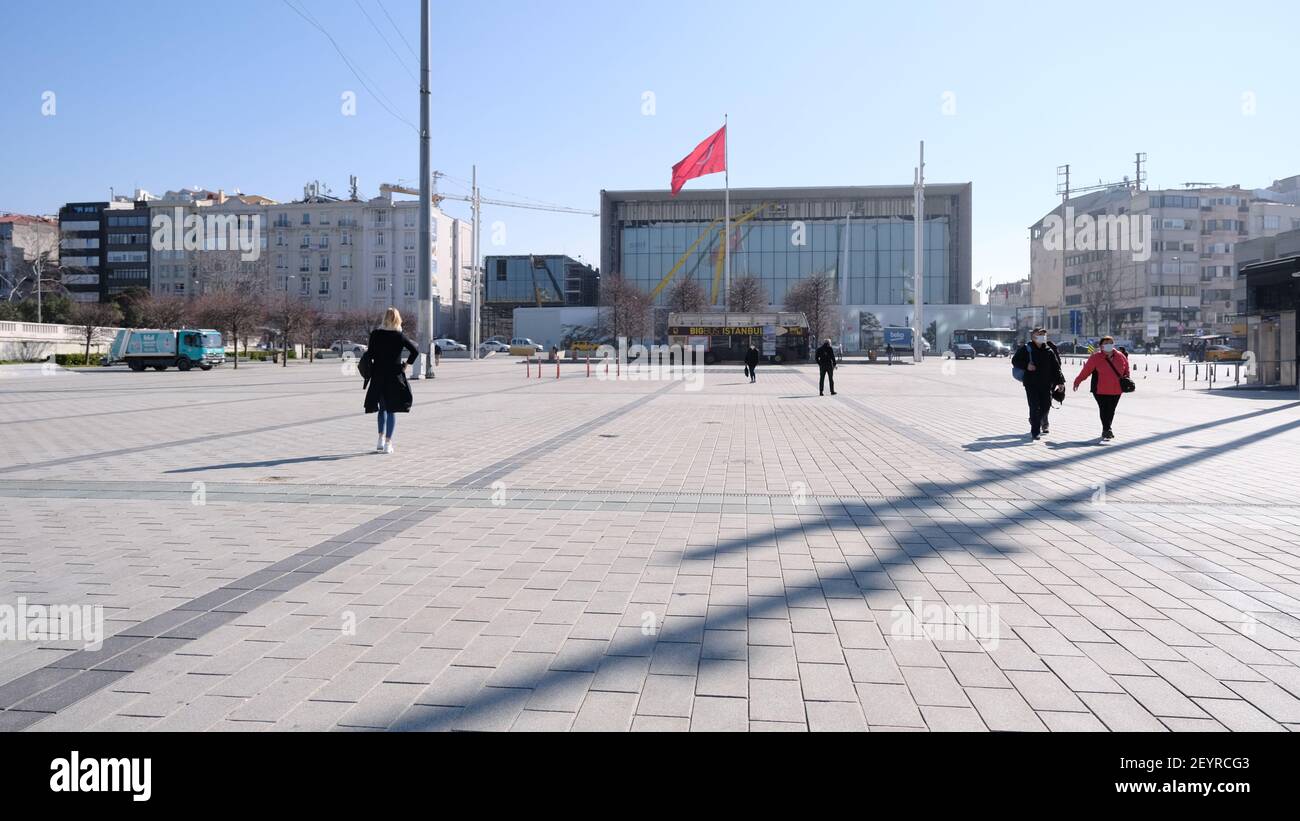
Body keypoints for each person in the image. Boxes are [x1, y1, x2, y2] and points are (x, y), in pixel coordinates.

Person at [360, 307, 418, 454]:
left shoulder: (375, 334)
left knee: (382, 408)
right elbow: (415, 351)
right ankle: (388, 443)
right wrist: (406, 364)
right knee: (392, 409)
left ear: (384, 318)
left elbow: (370, 354)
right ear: (398, 319)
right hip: (394, 376)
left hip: (378, 375)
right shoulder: (399, 336)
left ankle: (380, 439)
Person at [1073, 335, 1130, 441]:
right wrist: (1078, 381)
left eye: (1110, 342)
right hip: (1100, 389)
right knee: (1104, 409)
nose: (1108, 345)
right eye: (1106, 343)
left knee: (1111, 410)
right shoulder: (1095, 357)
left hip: (1116, 389)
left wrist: (1127, 378)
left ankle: (1107, 428)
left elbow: (1126, 368)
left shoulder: (1120, 356)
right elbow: (1086, 371)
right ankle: (1107, 429)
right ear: (1101, 346)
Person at [1011, 328, 1064, 440]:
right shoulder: (1026, 349)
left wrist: (1060, 382)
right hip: (1031, 383)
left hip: (1046, 384)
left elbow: (1056, 368)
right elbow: (1015, 361)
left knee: (1046, 406)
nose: (1042, 336)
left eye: (1044, 335)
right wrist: (1027, 366)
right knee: (1034, 406)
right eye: (1039, 334)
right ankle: (1035, 431)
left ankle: (1035, 420)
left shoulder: (1049, 351)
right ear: (1033, 336)